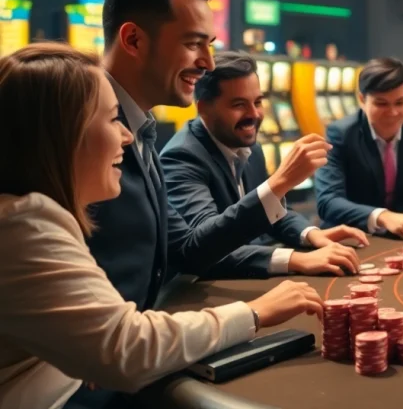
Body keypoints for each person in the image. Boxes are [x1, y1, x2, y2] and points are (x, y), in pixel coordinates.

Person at [0, 43, 323, 409]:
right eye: (112, 119)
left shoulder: (35, 214)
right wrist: (254, 312)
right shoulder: (24, 224)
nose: (126, 136)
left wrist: (89, 352)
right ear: (62, 134)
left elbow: (102, 340)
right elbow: (126, 350)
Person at [161, 51, 366, 277]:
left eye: (258, 102)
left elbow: (269, 213)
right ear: (204, 109)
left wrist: (310, 233)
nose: (254, 114)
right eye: (239, 105)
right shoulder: (181, 158)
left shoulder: (251, 146)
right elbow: (206, 246)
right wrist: (296, 258)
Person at [315, 58, 403, 240]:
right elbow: (328, 201)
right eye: (382, 104)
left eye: (400, 102)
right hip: (354, 236)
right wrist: (381, 216)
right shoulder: (340, 134)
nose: (393, 112)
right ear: (362, 99)